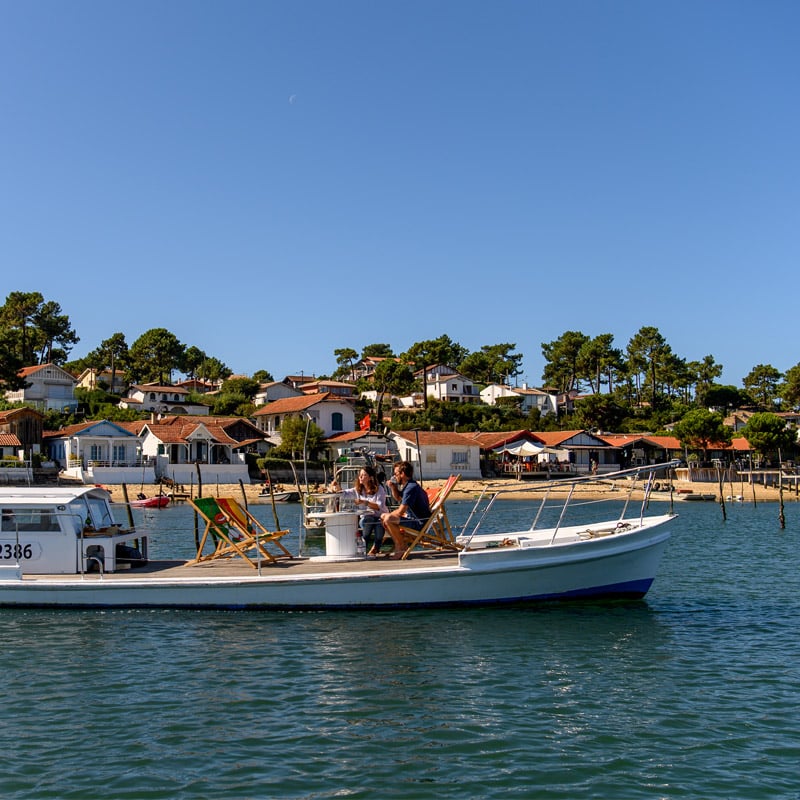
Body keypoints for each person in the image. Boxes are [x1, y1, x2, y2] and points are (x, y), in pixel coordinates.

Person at [381, 461, 431, 559]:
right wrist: (393, 487)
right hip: (414, 519)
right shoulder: (409, 486)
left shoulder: (411, 488)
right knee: (384, 517)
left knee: (388, 519)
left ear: (402, 474)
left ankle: (400, 547)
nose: (395, 476)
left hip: (419, 523)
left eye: (396, 474)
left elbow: (401, 511)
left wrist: (389, 515)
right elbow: (399, 499)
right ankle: (399, 545)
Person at [335, 466, 388, 557]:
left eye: (363, 475)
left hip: (380, 516)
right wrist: (337, 488)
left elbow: (378, 506)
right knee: (368, 520)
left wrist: (364, 502)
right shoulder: (358, 490)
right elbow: (345, 494)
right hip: (367, 518)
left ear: (370, 477)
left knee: (379, 527)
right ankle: (363, 548)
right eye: (360, 475)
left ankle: (375, 548)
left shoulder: (379, 489)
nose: (360, 477)